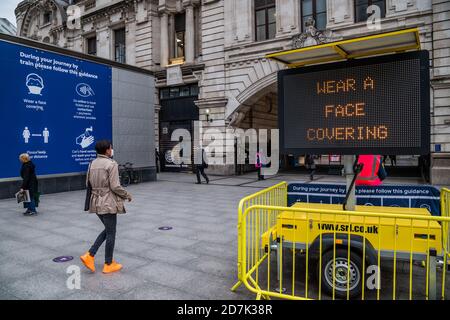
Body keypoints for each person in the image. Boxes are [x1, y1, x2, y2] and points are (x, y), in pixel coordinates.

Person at [80, 140, 132, 274]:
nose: (111, 150)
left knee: (109, 230)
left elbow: (88, 183)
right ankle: (107, 263)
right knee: (111, 232)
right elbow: (115, 186)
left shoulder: (92, 163)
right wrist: (126, 195)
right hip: (108, 202)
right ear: (108, 150)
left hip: (95, 201)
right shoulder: (111, 164)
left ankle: (90, 255)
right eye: (111, 148)